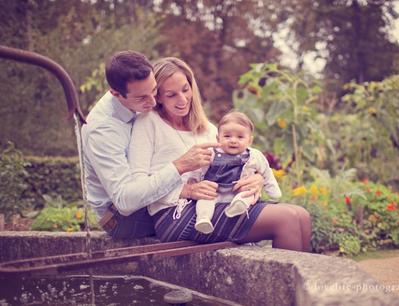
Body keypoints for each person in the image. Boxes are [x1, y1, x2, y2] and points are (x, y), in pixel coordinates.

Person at [129, 57, 312, 251]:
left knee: (302, 216)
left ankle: (304, 281)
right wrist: (186, 190)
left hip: (219, 202)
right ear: (158, 96)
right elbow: (137, 186)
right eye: (171, 94)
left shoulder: (207, 128)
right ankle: (287, 282)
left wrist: (256, 180)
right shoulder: (148, 123)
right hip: (176, 214)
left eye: (185, 89)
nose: (182, 100)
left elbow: (237, 162)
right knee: (287, 219)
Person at [81, 50, 218, 239]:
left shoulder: (142, 99)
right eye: (142, 98)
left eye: (154, 91)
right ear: (115, 93)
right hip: (123, 218)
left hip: (150, 198)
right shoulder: (101, 131)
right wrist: (181, 177)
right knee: (217, 217)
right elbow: (125, 201)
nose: (153, 102)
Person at [192, 112, 282, 234]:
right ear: (218, 138)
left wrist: (274, 192)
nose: (233, 141)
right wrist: (194, 181)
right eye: (227, 136)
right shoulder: (211, 154)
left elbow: (266, 172)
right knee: (204, 200)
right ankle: (203, 219)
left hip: (238, 191)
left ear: (250, 140)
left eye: (240, 137)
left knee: (247, 195)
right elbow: (200, 169)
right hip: (214, 192)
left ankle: (237, 207)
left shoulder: (255, 156)